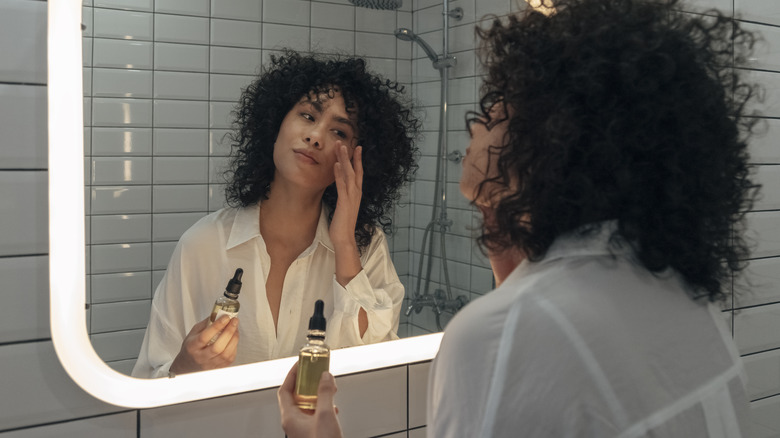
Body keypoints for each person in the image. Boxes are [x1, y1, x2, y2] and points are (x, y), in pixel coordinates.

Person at [277, 0, 762, 436]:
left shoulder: (504, 335)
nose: (475, 124)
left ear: (552, 141)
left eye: (497, 110)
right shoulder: (683, 298)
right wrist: (499, 215)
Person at [132, 51, 420, 378]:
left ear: (359, 159)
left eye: (339, 132)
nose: (315, 136)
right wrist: (185, 365)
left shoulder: (366, 247)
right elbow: (148, 377)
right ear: (276, 122)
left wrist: (343, 244)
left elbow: (380, 366)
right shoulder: (203, 243)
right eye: (308, 116)